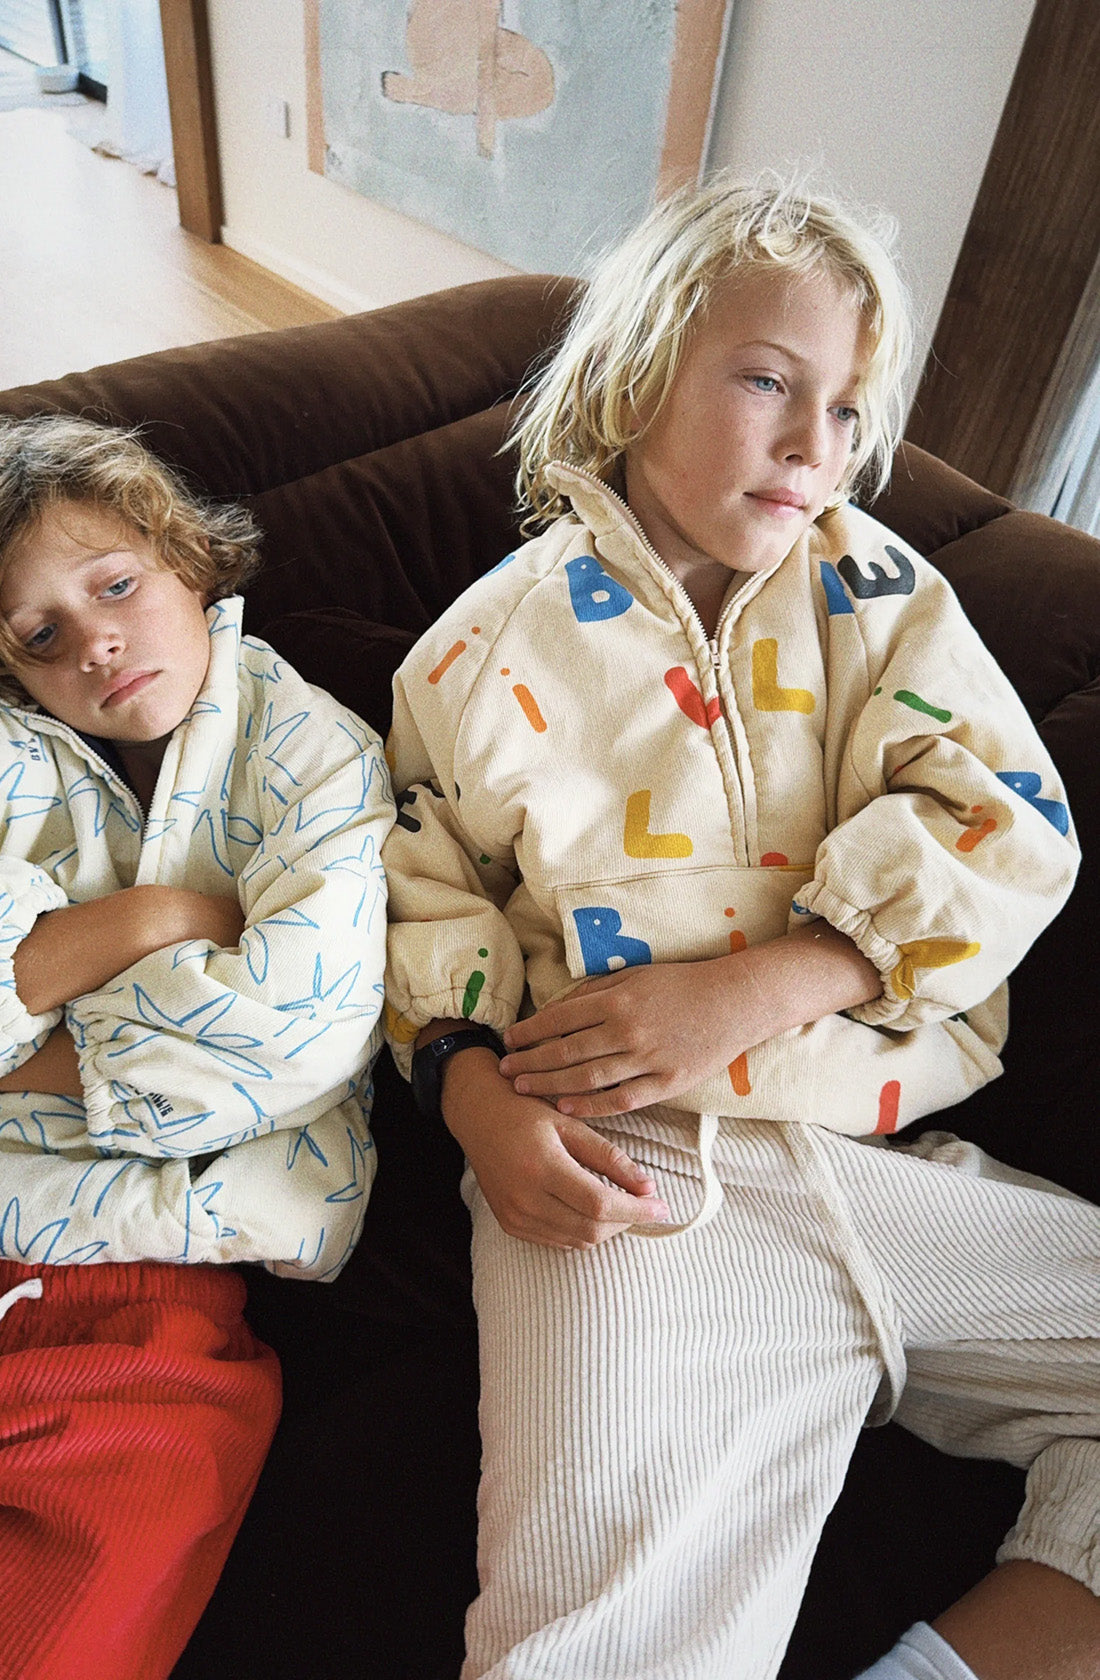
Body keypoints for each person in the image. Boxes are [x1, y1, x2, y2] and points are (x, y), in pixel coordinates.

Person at [382, 177, 1099, 1680]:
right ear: (637, 377)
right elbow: (417, 891)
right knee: (594, 1647)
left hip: (886, 1160)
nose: (812, 444)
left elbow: (1007, 816)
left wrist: (786, 977)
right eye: (768, 380)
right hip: (627, 1181)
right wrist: (470, 1102)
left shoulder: (881, 595)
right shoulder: (480, 652)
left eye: (846, 407)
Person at [0, 414, 394, 1680]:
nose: (93, 642)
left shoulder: (312, 754)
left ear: (190, 561)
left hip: (148, 1303)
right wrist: (159, 921)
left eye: (115, 584)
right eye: (39, 634)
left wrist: (29, 1025)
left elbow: (290, 1034)